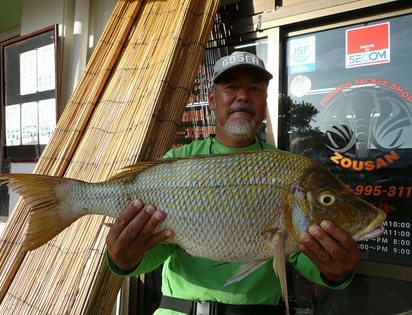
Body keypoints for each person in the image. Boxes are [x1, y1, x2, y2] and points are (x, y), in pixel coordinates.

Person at [105, 51, 360, 315]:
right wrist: (124, 259)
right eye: (232, 87)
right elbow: (158, 251)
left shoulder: (289, 170)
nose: (243, 96)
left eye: (255, 89)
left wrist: (335, 272)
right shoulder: (178, 162)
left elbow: (300, 255)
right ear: (212, 100)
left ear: (264, 101)